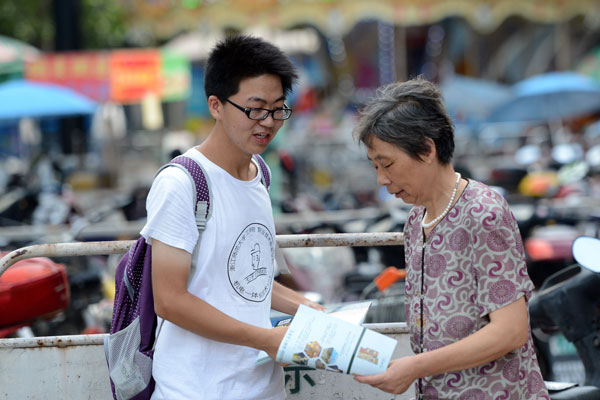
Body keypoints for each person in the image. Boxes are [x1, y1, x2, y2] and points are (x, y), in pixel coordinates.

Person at [142, 35, 323, 400]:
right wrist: (267, 339)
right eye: (255, 109)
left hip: (261, 388)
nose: (268, 122)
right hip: (195, 390)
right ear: (216, 105)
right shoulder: (182, 183)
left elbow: (244, 282)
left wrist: (308, 308)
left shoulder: (260, 174)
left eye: (278, 109)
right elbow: (170, 300)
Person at [353, 77, 550, 399]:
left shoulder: (483, 213)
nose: (382, 179)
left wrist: (416, 367)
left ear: (427, 149)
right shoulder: (417, 218)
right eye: (375, 166)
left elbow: (510, 331)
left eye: (387, 164)